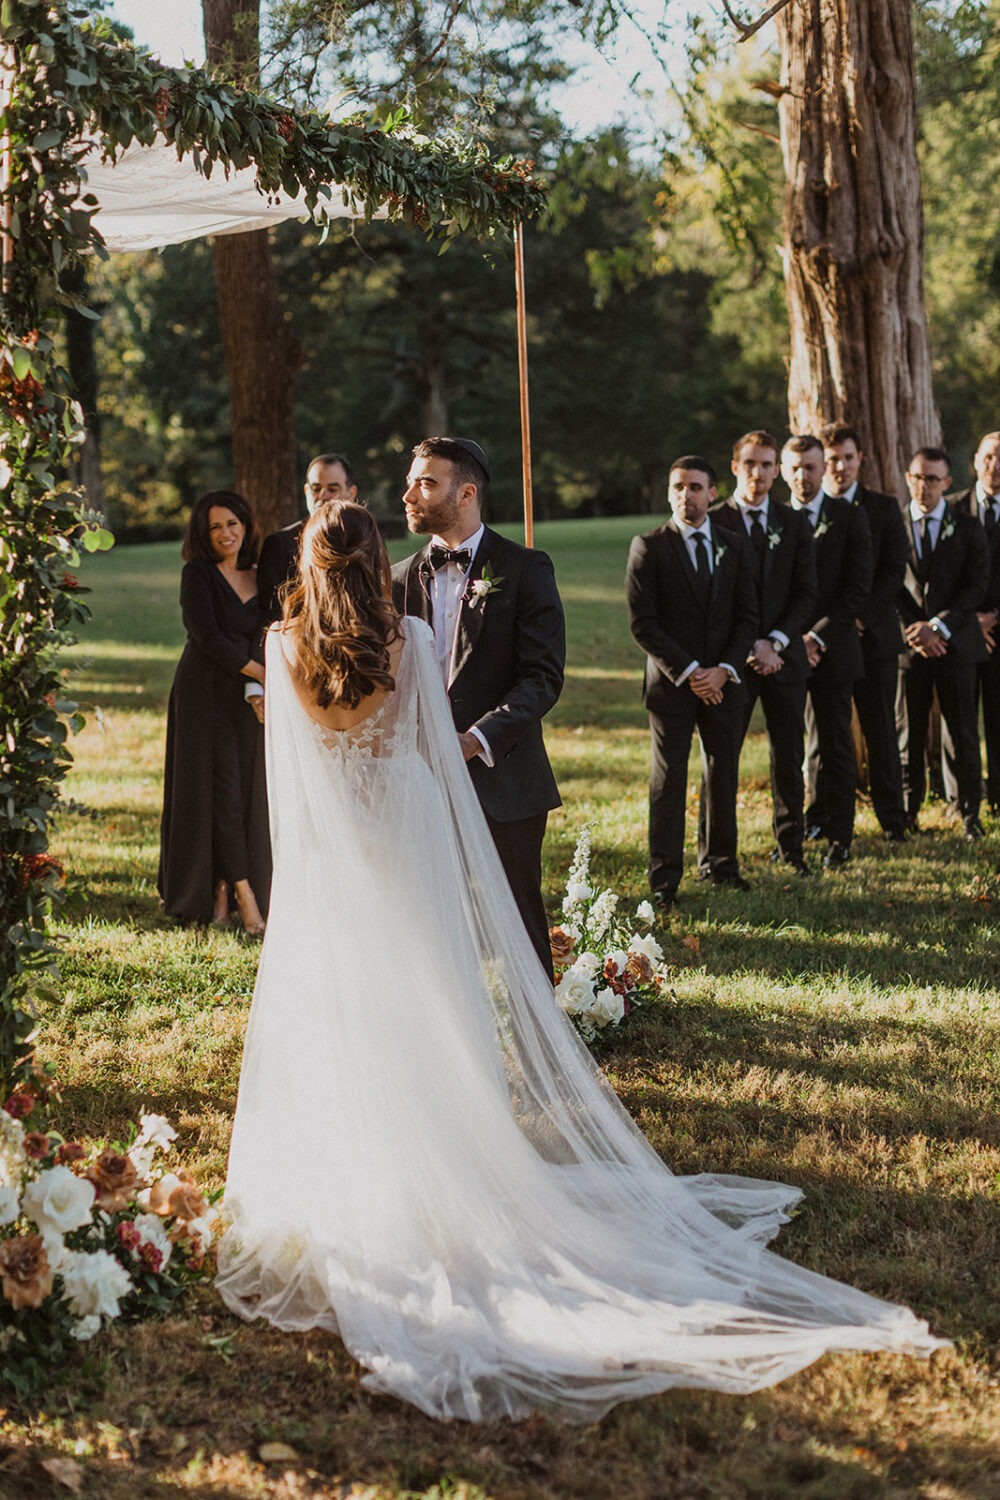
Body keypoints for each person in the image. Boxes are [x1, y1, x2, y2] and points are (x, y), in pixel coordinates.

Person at [216, 499, 945, 1424]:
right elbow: (436, 758)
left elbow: (292, 781)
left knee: (349, 1008)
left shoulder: (281, 649)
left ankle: (353, 1179)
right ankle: (454, 1158)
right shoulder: (403, 635)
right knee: (431, 1002)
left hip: (333, 860)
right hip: (407, 835)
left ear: (306, 566)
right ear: (375, 561)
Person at [391, 437, 564, 979]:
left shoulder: (525, 568)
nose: (408, 495)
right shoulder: (398, 578)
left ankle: (540, 1039)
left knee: (517, 919)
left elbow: (542, 678)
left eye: (426, 483)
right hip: (416, 775)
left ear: (466, 493)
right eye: (411, 481)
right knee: (427, 917)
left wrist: (475, 740)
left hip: (502, 775)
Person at [626, 456, 756, 907]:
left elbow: (747, 616)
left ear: (712, 493)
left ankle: (721, 863)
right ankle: (664, 879)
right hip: (671, 685)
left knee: (723, 772)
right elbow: (643, 624)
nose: (687, 495)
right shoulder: (649, 546)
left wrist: (722, 669)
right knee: (670, 779)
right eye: (678, 486)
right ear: (669, 492)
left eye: (696, 487)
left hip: (725, 681)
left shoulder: (734, 546)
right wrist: (690, 673)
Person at [158, 490, 271, 933]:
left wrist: (257, 682)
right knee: (216, 788)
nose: (226, 534)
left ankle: (223, 885)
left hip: (245, 696)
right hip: (202, 694)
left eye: (232, 523)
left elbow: (265, 632)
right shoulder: (198, 574)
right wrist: (260, 671)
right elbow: (206, 636)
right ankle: (244, 896)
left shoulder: (261, 575)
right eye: (215, 527)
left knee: (242, 790)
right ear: (203, 535)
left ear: (246, 524)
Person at [711, 431, 817, 875]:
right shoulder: (714, 521)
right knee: (722, 759)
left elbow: (807, 594)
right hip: (731, 663)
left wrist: (773, 641)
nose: (758, 473)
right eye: (750, 463)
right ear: (735, 467)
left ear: (777, 470)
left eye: (767, 464)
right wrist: (747, 646)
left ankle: (792, 848)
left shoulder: (793, 523)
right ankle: (719, 857)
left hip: (782, 657)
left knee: (789, 754)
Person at [783, 435, 873, 868]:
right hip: (782, 651)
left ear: (824, 470)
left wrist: (814, 638)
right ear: (786, 470)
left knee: (836, 745)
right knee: (789, 747)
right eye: (796, 468)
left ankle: (841, 837)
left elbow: (857, 590)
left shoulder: (849, 518)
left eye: (812, 467)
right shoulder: (775, 520)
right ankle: (794, 837)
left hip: (833, 650)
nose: (804, 476)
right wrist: (789, 639)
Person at [818, 424, 909, 845]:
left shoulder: (884, 508)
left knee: (880, 728)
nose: (840, 466)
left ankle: (893, 817)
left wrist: (859, 617)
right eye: (832, 459)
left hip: (873, 637)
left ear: (860, 460)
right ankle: (821, 813)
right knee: (826, 732)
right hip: (824, 641)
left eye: (848, 458)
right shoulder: (807, 511)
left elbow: (893, 571)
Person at [897, 447, 989, 837]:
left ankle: (969, 814)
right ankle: (906, 813)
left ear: (947, 483)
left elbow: (976, 585)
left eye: (932, 479)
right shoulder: (894, 525)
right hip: (910, 647)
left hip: (956, 644)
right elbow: (887, 585)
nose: (924, 486)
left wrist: (939, 626)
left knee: (963, 731)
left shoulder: (967, 527)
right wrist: (914, 629)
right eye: (917, 477)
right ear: (908, 478)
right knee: (909, 733)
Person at [945, 432, 1000, 814]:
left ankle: (997, 796)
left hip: (999, 632)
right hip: (960, 633)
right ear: (976, 460)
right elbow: (943, 575)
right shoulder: (952, 509)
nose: (995, 466)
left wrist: (994, 618)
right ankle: (959, 798)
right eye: (990, 457)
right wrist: (968, 621)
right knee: (958, 719)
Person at [257, 453, 358, 624]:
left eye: (332, 489)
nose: (323, 495)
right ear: (306, 491)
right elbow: (273, 610)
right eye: (316, 489)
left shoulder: (364, 538)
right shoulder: (279, 544)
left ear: (351, 493)